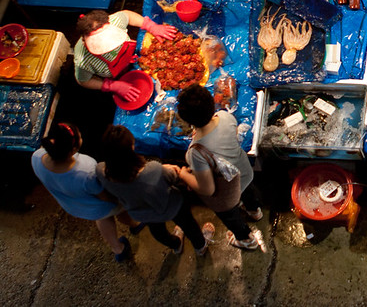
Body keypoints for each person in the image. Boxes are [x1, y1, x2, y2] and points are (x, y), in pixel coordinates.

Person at [31, 122, 142, 262]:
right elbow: (103, 196)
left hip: (72, 205)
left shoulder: (36, 157)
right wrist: (119, 201)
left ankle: (117, 248)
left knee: (101, 218)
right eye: (80, 136)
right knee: (117, 211)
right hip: (99, 204)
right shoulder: (85, 170)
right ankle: (135, 225)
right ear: (73, 149)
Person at [96, 125, 214, 256]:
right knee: (188, 225)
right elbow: (174, 178)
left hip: (142, 213)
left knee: (158, 232)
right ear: (131, 148)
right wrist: (176, 170)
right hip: (171, 206)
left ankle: (176, 244)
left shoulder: (100, 171)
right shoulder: (153, 170)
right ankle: (200, 246)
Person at [176, 85, 265, 251]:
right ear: (212, 103)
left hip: (228, 191)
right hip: (244, 172)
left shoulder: (195, 152)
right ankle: (255, 211)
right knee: (248, 192)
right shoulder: (225, 117)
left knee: (231, 217)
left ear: (188, 122)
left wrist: (183, 174)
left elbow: (207, 189)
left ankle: (247, 240)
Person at [73, 10, 176, 101]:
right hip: (119, 77)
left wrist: (151, 26)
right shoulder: (83, 59)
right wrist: (111, 86)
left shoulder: (115, 21)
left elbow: (127, 15)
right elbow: (83, 81)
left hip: (132, 58)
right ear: (84, 39)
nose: (108, 47)